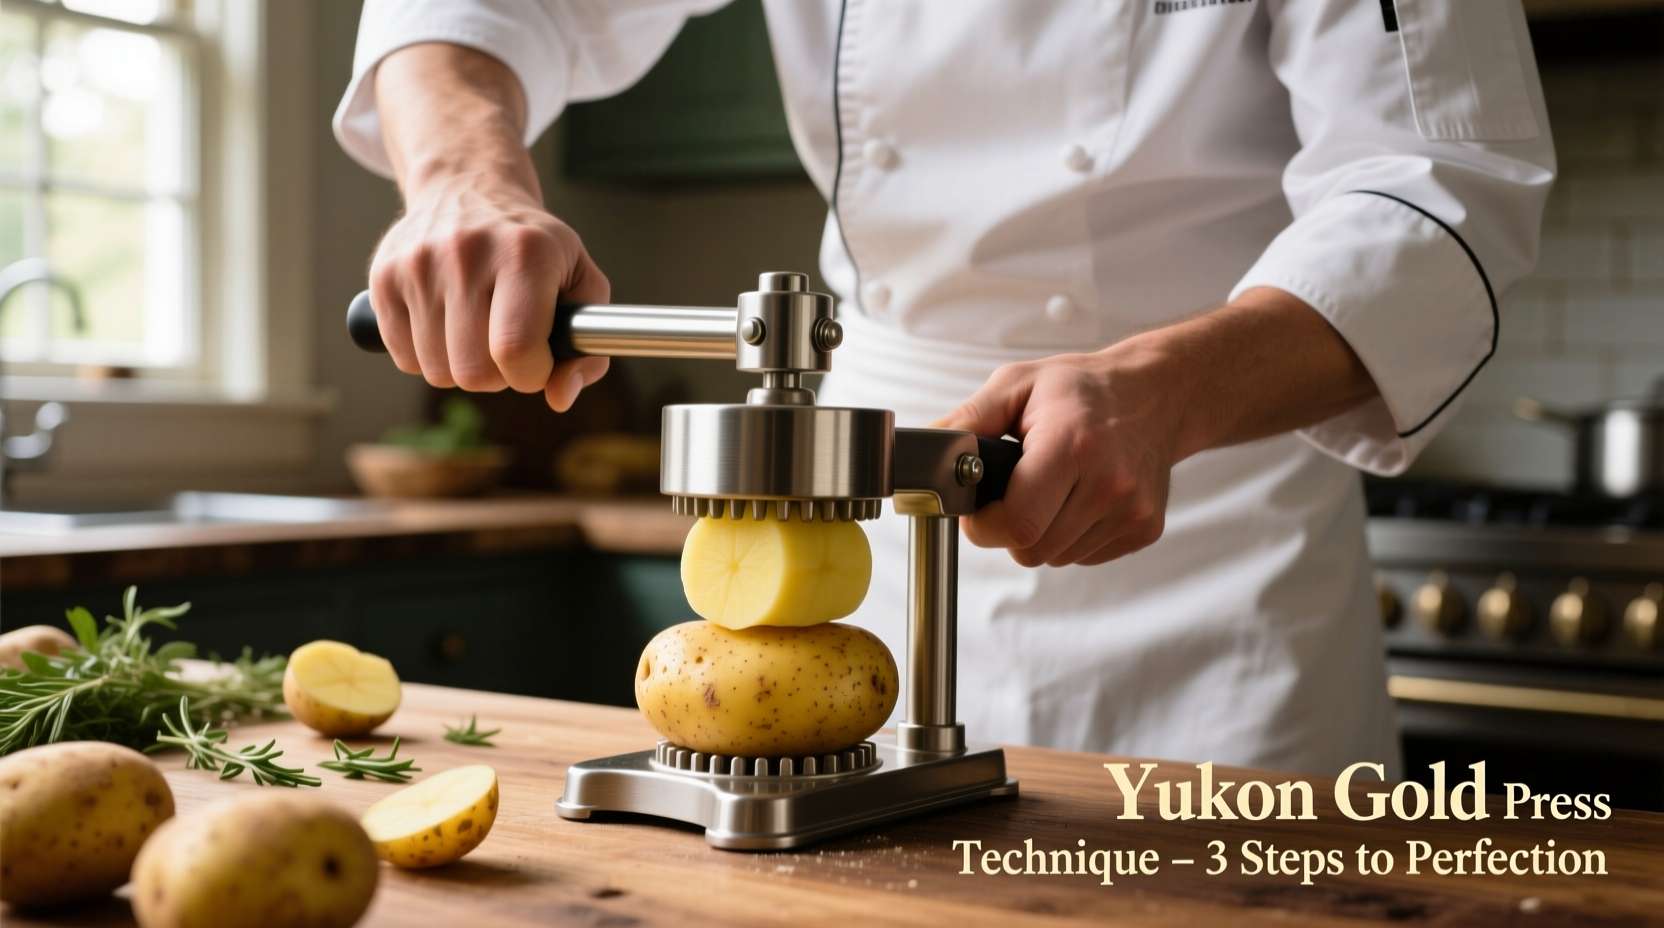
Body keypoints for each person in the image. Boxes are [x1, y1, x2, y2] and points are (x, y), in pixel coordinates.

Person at [335, 1, 1555, 776]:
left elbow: (1442, 179)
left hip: (1216, 528)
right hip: (867, 529)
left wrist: (1163, 391)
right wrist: (459, 178)